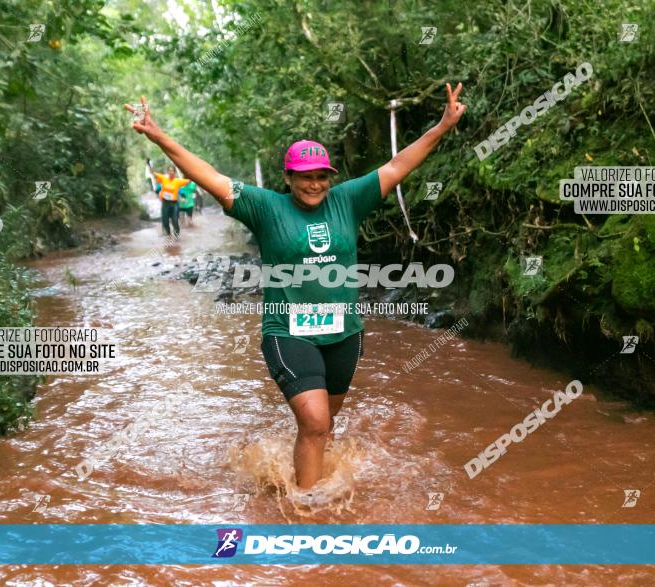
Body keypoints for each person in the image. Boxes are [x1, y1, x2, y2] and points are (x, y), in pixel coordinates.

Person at [125, 85, 465, 492]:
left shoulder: (348, 200)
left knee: (323, 424)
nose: (315, 184)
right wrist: (159, 136)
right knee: (317, 422)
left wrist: (443, 126)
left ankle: (302, 470)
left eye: (321, 176)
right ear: (288, 178)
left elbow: (398, 166)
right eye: (305, 177)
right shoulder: (266, 207)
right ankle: (308, 508)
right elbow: (210, 176)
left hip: (344, 333)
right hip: (288, 333)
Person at [150, 160, 190, 239]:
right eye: (169, 170)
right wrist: (149, 165)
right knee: (165, 221)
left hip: (174, 204)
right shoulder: (163, 178)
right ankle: (169, 236)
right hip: (165, 203)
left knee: (175, 221)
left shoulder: (177, 181)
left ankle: (177, 237)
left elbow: (188, 181)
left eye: (172, 171)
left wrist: (191, 171)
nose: (171, 172)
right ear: (168, 172)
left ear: (174, 173)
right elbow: (153, 173)